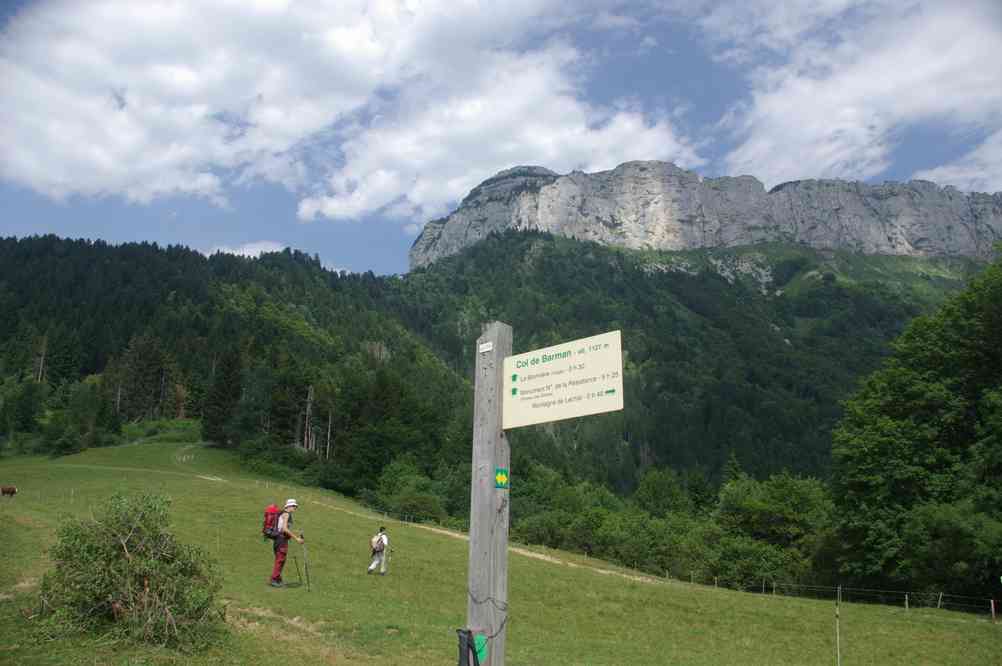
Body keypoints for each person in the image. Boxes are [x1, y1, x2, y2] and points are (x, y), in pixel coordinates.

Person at [270, 498, 304, 587]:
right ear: (288, 506)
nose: (295, 508)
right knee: (280, 560)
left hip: (278, 539)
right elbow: (284, 528)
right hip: (281, 539)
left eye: (295, 506)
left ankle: (278, 579)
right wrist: (296, 538)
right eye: (294, 506)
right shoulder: (286, 514)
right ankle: (274, 580)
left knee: (281, 559)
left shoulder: (281, 513)